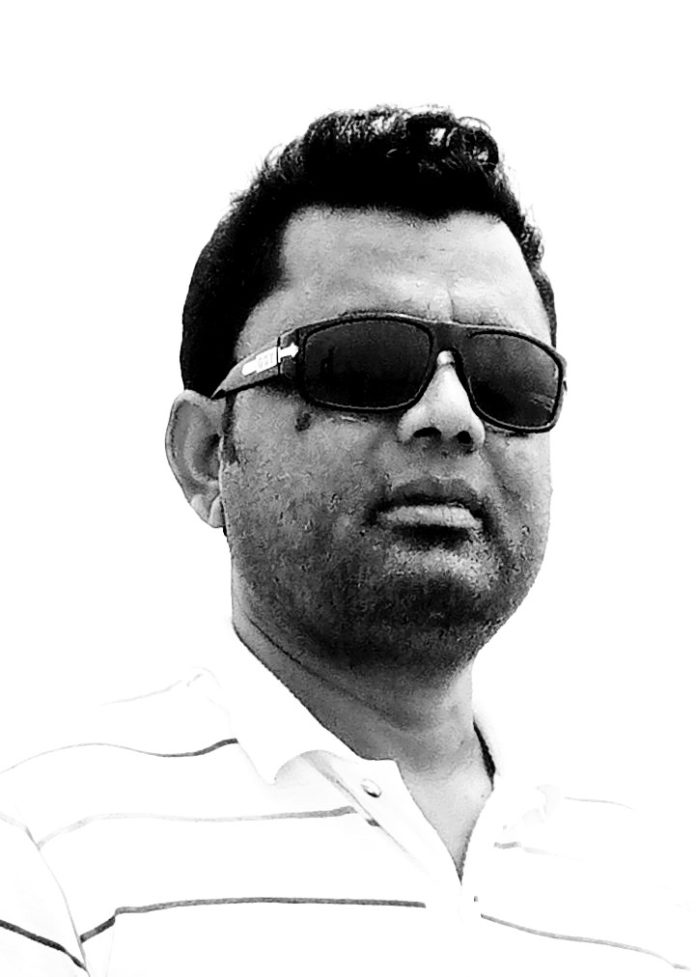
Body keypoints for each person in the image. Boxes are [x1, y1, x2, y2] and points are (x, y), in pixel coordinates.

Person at [0, 106, 690, 976]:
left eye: (507, 375)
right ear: (209, 456)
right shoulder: (43, 849)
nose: (452, 414)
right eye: (363, 362)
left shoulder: (658, 883)